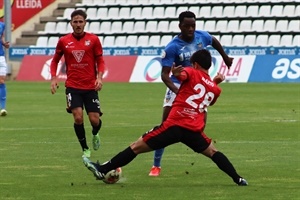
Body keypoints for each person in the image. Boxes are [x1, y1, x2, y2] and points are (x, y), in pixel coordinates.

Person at [83, 49, 248, 186]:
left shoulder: (190, 71)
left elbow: (183, 76)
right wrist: (215, 82)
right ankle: (238, 178)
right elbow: (204, 94)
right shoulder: (216, 89)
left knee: (136, 147)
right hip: (193, 131)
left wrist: (176, 73)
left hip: (174, 126)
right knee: (213, 152)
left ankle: (103, 169)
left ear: (195, 64)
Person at [149, 11, 234, 176]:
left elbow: (214, 41)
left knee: (199, 127)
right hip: (177, 85)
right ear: (179, 26)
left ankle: (208, 153)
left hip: (197, 88)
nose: (190, 29)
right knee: (164, 126)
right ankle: (156, 165)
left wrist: (225, 57)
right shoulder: (173, 47)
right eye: (187, 26)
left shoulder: (201, 37)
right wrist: (177, 91)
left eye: (193, 25)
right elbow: (165, 75)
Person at [50, 9, 105, 158]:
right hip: (73, 86)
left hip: (90, 86)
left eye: (81, 21)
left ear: (85, 23)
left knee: (94, 120)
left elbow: (100, 60)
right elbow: (55, 60)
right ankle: (85, 148)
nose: (78, 24)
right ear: (71, 23)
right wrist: (53, 78)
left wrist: (99, 77)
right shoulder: (64, 41)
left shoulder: (93, 40)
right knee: (78, 117)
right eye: (75, 22)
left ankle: (95, 133)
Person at [0, 22, 10, 116]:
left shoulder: (2, 25)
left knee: (2, 81)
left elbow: (1, 37)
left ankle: (3, 108)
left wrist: (4, 44)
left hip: (1, 57)